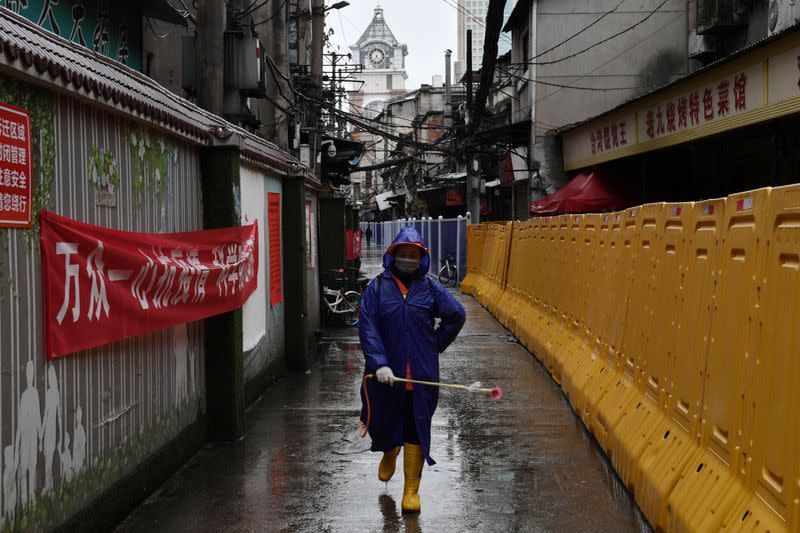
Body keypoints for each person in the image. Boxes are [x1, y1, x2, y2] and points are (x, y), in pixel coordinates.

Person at [359, 226, 466, 514]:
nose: (408, 259)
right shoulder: (377, 289)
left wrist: (434, 344)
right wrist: (379, 362)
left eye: (413, 255)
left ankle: (410, 490)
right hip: (386, 376)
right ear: (393, 256)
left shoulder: (431, 287)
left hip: (421, 375)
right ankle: (389, 450)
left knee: (416, 426)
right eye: (403, 254)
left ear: (421, 258)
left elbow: (456, 315)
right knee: (383, 420)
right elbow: (368, 327)